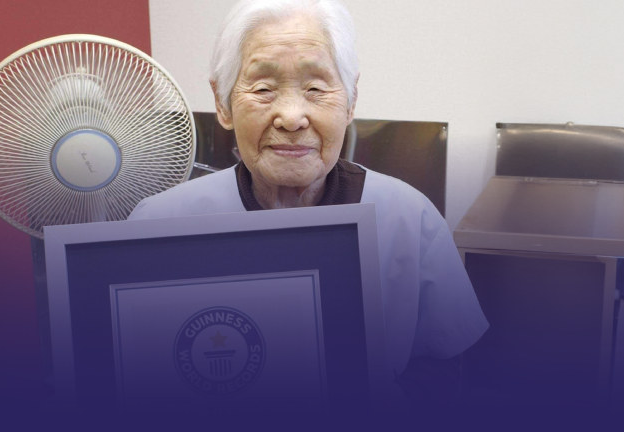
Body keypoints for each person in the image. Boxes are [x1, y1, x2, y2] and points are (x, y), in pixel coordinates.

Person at [129, 0, 488, 410]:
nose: (292, 116)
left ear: (350, 100)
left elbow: (441, 366)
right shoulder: (157, 224)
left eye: (316, 88)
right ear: (223, 103)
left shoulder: (411, 217)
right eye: (263, 89)